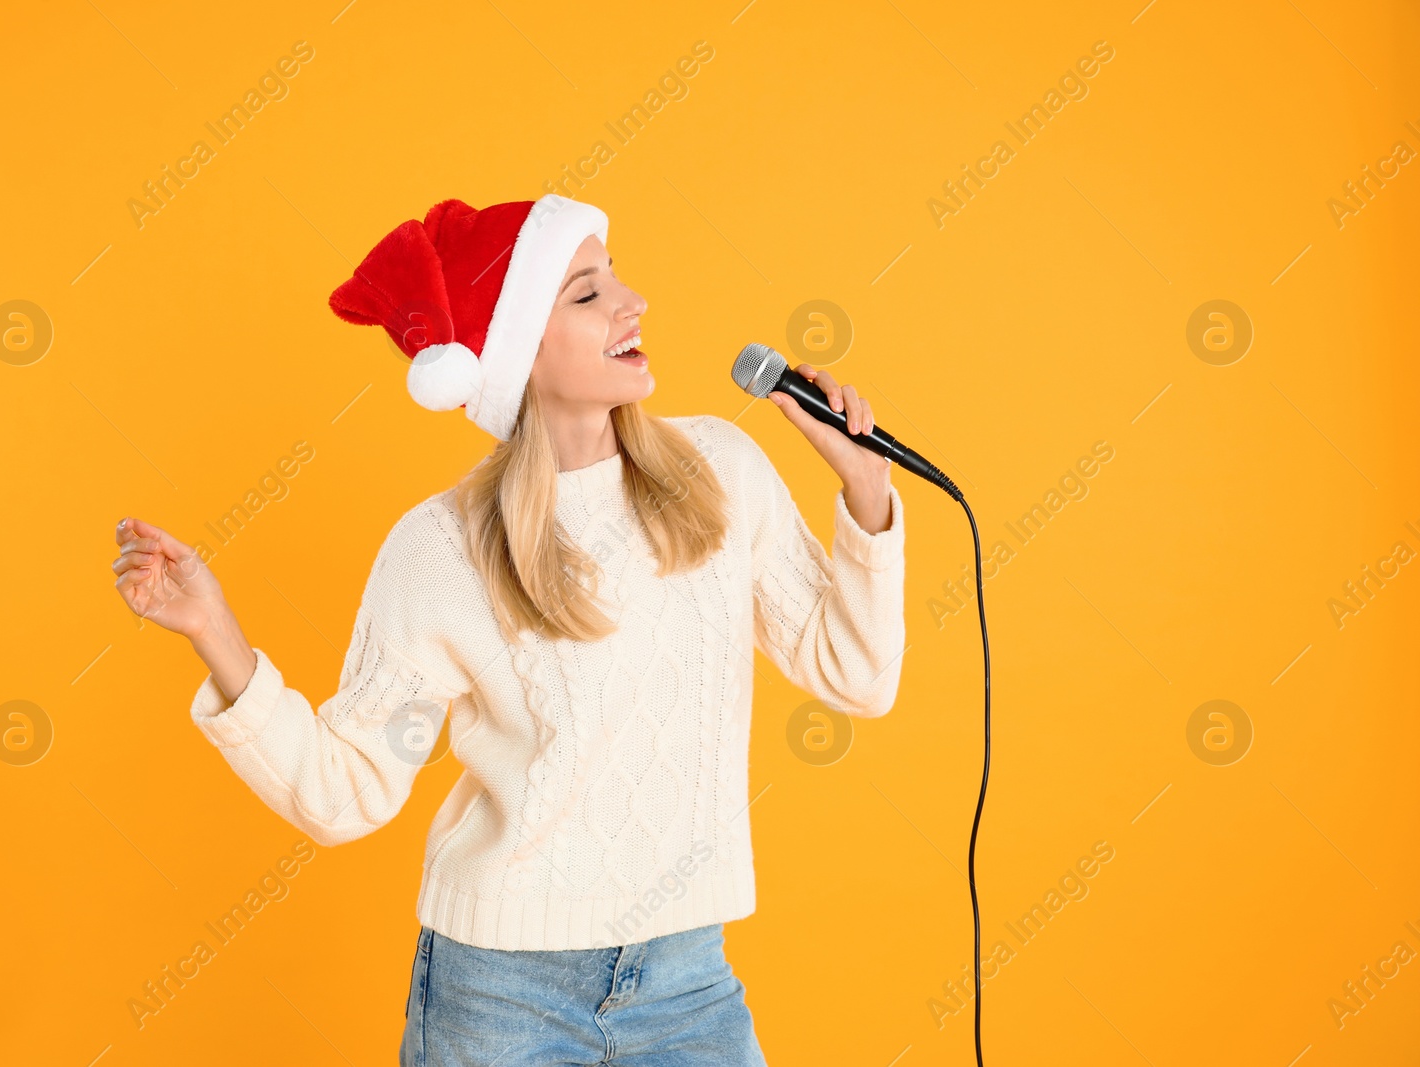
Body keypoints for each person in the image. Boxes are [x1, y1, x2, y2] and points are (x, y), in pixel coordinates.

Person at [110, 193, 907, 1066]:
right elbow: (343, 792)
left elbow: (856, 676)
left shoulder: (721, 473)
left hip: (688, 987)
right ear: (517, 349)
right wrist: (216, 631)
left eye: (616, 278)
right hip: (499, 1003)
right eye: (586, 293)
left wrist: (867, 496)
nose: (632, 302)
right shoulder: (441, 549)